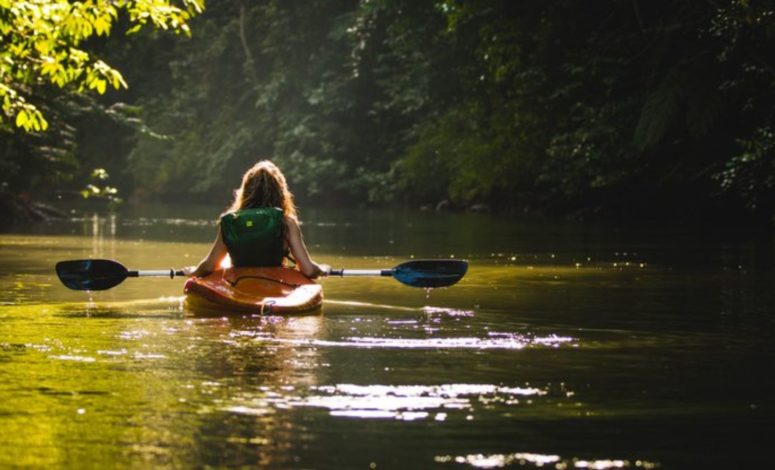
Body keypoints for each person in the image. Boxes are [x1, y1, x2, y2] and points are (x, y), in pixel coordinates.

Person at [182, 160, 329, 278]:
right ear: (280, 192)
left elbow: (209, 266)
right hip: (275, 284)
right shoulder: (287, 223)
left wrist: (193, 272)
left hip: (239, 284)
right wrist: (322, 269)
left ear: (246, 190)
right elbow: (308, 270)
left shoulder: (231, 222)